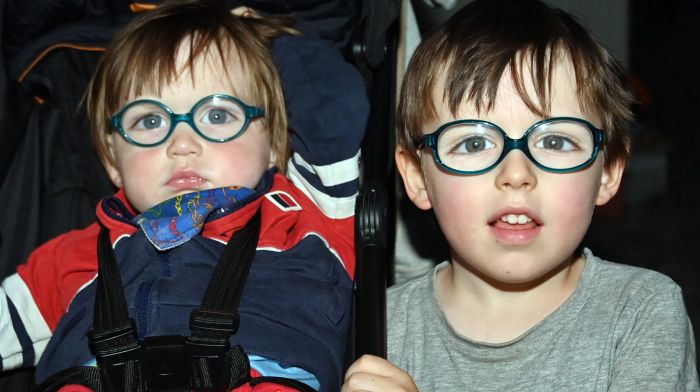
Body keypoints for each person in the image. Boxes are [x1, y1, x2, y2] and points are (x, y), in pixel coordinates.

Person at [0, 0, 367, 391]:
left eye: (218, 115)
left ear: (276, 142)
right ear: (111, 158)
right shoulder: (71, 261)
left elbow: (332, 109)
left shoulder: (307, 214)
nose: (182, 143)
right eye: (150, 120)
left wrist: (267, 36)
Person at [342, 0, 699, 390]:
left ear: (609, 170)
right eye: (474, 143)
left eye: (556, 140)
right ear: (417, 177)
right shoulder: (376, 330)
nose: (516, 174)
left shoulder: (641, 311)